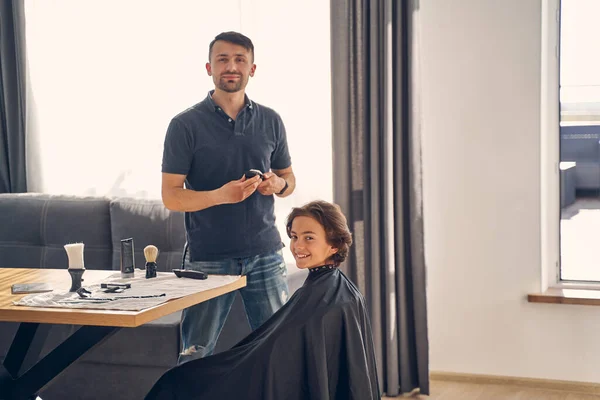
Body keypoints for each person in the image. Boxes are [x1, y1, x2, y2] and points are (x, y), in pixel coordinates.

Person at [145, 200, 381, 400]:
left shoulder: (327, 299)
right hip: (261, 372)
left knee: (177, 382)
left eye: (309, 238)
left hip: (262, 379)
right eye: (295, 236)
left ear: (334, 244)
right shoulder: (338, 290)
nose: (298, 246)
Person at [161, 31, 296, 364]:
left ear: (252, 69)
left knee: (277, 350)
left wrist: (276, 185)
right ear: (209, 68)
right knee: (195, 354)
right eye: (223, 59)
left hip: (266, 254)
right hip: (208, 258)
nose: (231, 66)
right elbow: (171, 197)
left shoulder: (271, 120)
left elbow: (289, 180)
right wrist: (220, 196)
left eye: (240, 59)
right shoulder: (184, 125)